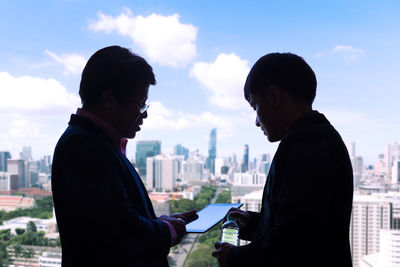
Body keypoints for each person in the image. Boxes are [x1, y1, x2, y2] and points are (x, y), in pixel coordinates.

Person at [52, 45, 196, 267]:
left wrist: (158, 222)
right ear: (109, 99)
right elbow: (117, 234)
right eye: (140, 103)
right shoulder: (84, 146)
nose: (144, 113)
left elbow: (113, 216)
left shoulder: (98, 143)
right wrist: (167, 230)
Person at [212, 53, 353, 267]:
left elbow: (294, 241)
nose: (256, 122)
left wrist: (235, 257)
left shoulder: (305, 145)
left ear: (275, 96)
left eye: (255, 107)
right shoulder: (319, 138)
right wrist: (251, 222)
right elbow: (302, 223)